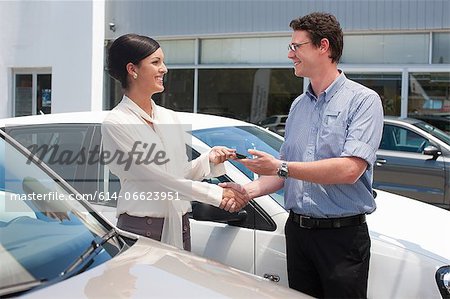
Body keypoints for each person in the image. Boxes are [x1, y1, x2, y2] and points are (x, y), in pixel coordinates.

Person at [221, 12, 384, 298]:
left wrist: (281, 167)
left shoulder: (363, 101)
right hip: (297, 233)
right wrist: (245, 191)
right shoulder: (298, 105)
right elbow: (282, 175)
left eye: (296, 47)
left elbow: (349, 170)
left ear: (323, 46)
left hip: (341, 239)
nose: (289, 54)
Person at [101, 34, 246, 251]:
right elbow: (155, 180)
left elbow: (176, 177)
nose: (164, 69)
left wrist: (207, 159)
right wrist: (218, 194)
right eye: (156, 62)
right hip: (142, 228)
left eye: (163, 62)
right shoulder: (117, 122)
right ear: (133, 69)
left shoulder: (169, 117)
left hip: (180, 226)